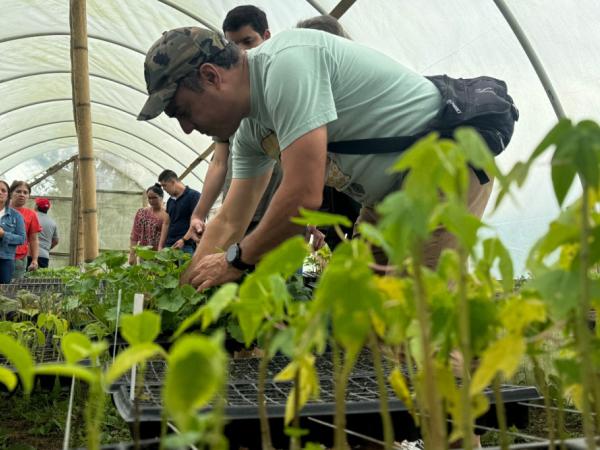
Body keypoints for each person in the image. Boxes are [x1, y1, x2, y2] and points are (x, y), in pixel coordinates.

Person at [137, 26, 494, 290]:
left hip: (443, 168)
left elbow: (303, 198)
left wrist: (236, 260)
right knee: (360, 316)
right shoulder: (250, 131)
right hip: (389, 199)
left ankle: (465, 388)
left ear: (211, 76)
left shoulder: (285, 66)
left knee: (420, 322)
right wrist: (184, 292)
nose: (185, 128)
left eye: (182, 111)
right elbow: (229, 220)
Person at [187, 5, 284, 239]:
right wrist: (198, 214)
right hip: (238, 211)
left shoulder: (283, 83)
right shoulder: (227, 95)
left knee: (287, 273)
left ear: (267, 37)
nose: (242, 51)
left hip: (278, 211)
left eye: (248, 41)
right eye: (234, 45)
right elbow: (219, 162)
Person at [157, 170, 200, 255]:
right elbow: (166, 223)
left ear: (173, 182)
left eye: (164, 186)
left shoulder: (193, 196)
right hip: (170, 245)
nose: (164, 189)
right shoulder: (170, 201)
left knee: (185, 268)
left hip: (186, 246)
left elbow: (197, 222)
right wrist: (160, 246)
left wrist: (184, 240)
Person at [129, 184, 168, 265]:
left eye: (154, 198)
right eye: (149, 198)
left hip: (161, 255)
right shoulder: (141, 212)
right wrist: (132, 255)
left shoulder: (167, 214)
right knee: (145, 275)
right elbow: (134, 235)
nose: (151, 201)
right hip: (144, 253)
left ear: (161, 197)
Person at [9, 181, 41, 279]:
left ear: (28, 196)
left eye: (25, 192)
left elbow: (33, 239)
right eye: (18, 191)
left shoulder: (31, 214)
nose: (22, 195)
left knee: (13, 289)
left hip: (19, 258)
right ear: (11, 193)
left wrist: (35, 259)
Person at [0, 180, 26, 283]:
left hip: (5, 260)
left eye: (3, 190)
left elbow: (21, 239)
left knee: (3, 293)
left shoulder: (16, 216)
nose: (0, 192)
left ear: (8, 195)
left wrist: (3, 234)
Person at [33, 197, 59, 269]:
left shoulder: (31, 217)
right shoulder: (52, 222)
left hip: (29, 254)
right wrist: (46, 249)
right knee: (40, 279)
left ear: (36, 206)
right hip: (44, 256)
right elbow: (56, 241)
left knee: (24, 279)